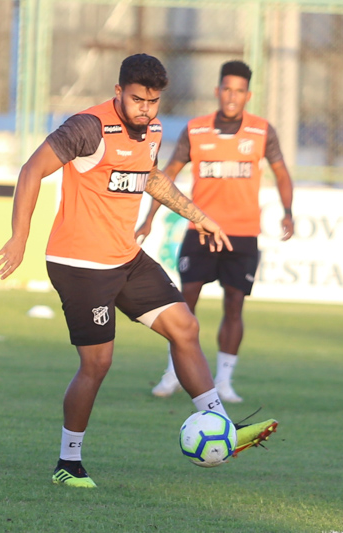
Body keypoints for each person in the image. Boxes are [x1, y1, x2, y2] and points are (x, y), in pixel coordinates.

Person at [0, 54, 277, 489]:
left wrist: (196, 215)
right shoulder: (87, 127)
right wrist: (19, 237)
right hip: (80, 265)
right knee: (98, 363)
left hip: (124, 258)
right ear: (118, 92)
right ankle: (68, 462)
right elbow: (32, 169)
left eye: (153, 100)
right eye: (137, 99)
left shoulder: (155, 129)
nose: (145, 108)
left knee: (184, 326)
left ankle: (221, 424)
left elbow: (150, 177)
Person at [136, 60, 294, 404]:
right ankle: (173, 371)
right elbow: (166, 175)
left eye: (239, 91)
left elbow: (282, 172)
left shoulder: (261, 131)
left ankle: (223, 380)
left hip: (242, 234)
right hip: (201, 230)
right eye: (226, 89)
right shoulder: (195, 130)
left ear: (248, 95)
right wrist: (150, 218)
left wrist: (288, 212)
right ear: (217, 91)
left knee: (234, 305)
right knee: (183, 303)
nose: (232, 96)